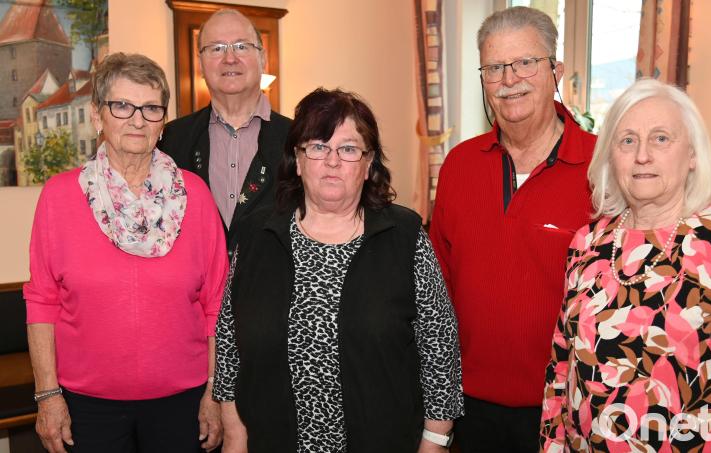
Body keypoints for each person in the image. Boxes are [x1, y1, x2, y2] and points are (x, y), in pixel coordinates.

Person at [212, 88, 464, 453]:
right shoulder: (255, 236)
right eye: (317, 146)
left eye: (347, 149)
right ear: (298, 161)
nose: (332, 161)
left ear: (368, 164)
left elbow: (440, 349)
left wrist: (434, 442)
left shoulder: (404, 237)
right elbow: (229, 344)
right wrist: (234, 434)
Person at [540, 78, 711, 452]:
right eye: (627, 140)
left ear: (692, 155)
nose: (642, 156)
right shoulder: (587, 244)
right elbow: (561, 371)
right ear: (609, 156)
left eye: (661, 138)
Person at [24, 53, 229, 453]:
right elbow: (42, 302)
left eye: (151, 108)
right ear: (98, 116)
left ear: (163, 121)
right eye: (122, 105)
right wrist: (47, 396)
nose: (137, 119)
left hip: (183, 404)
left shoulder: (197, 196)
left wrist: (213, 392)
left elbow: (217, 302)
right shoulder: (59, 196)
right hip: (85, 407)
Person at [428, 7, 596, 452]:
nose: (509, 79)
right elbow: (435, 287)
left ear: (555, 70)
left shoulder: (601, 169)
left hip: (568, 408)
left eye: (526, 62)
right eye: (495, 67)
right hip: (467, 408)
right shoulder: (459, 166)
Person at [159, 8, 291, 253]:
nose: (230, 58)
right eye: (217, 48)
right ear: (200, 63)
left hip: (274, 288)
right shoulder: (170, 140)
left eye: (241, 46)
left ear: (262, 58)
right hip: (197, 290)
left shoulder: (299, 139)